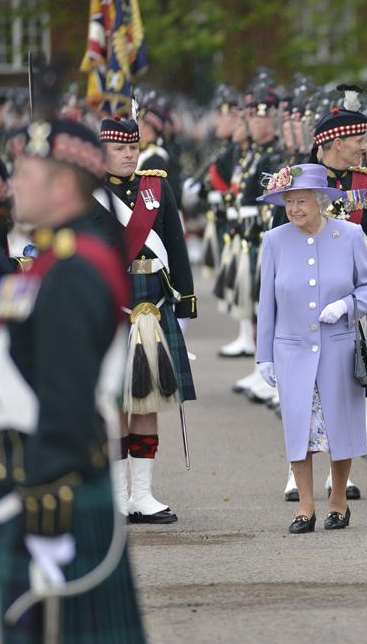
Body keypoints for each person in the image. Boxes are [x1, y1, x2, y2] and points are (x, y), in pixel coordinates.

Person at [2, 116, 146, 643]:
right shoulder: (55, 257)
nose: (13, 181)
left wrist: (44, 492)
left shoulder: (73, 268)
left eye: (25, 170)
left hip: (52, 491)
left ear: (62, 184)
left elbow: (64, 394)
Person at [255, 163, 367, 533]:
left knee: (339, 429)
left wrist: (347, 306)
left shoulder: (351, 235)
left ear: (321, 201)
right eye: (288, 202)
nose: (294, 209)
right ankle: (305, 507)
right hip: (291, 350)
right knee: (300, 430)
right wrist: (264, 354)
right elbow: (267, 303)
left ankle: (338, 499)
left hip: (338, 348)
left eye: (301, 201)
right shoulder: (274, 241)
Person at [95, 116, 197, 524]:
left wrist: (185, 299)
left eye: (133, 147)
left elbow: (176, 242)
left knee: (147, 401)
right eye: (120, 148)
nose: (128, 154)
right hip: (110, 308)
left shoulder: (157, 187)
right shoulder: (88, 193)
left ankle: (143, 494)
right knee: (117, 403)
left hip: (152, 309)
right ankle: (118, 495)